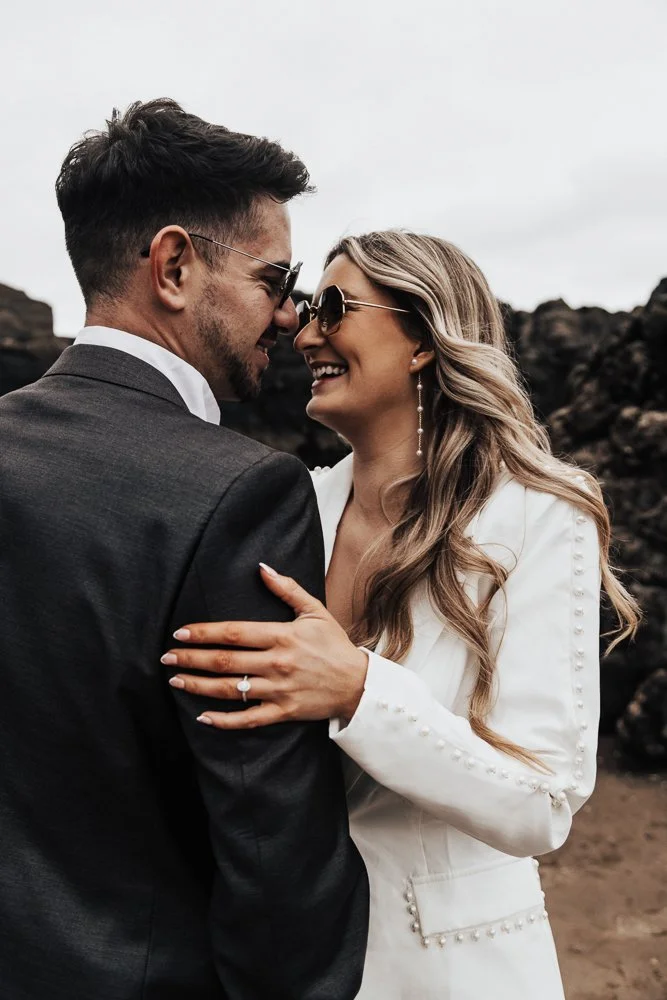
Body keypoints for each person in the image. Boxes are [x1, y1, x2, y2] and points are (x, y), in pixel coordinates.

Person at [164, 231, 641, 999]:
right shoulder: (286, 510)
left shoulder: (535, 515)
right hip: (287, 965)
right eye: (303, 306)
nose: (302, 329)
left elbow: (542, 802)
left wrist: (359, 692)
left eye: (332, 307)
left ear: (420, 337)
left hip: (455, 969)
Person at [0, 100, 369, 1000]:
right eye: (275, 279)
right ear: (173, 266)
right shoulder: (240, 493)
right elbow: (268, 838)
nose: (289, 318)